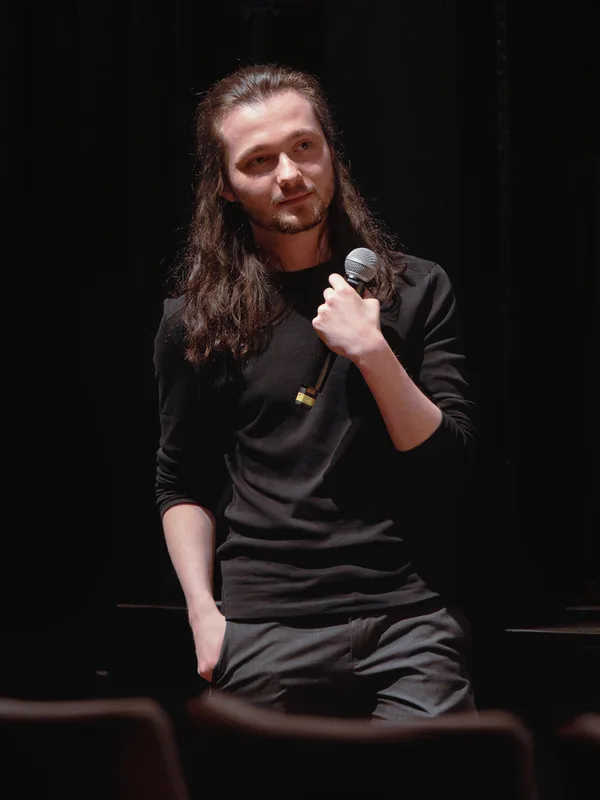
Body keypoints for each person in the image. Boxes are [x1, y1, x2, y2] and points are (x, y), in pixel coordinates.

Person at [154, 63, 477, 720]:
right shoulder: (197, 320)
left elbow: (448, 461)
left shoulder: (417, 290)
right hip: (266, 627)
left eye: (304, 146)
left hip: (408, 619)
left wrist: (372, 351)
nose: (290, 174)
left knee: (449, 770)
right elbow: (181, 481)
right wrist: (204, 616)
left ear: (331, 151)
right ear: (225, 187)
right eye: (259, 160)